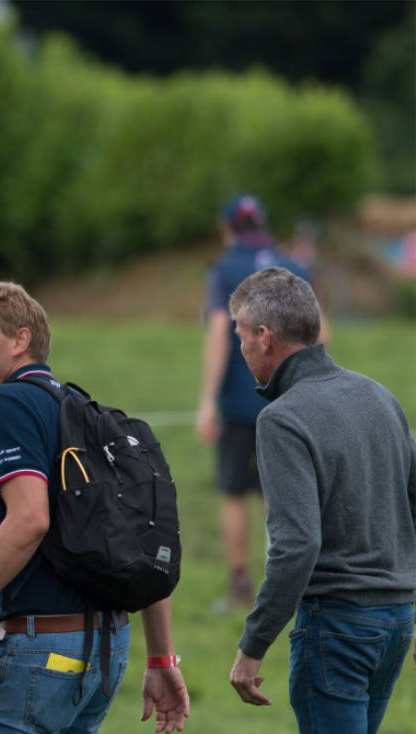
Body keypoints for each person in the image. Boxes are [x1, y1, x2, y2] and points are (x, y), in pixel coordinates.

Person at [0, 279, 189, 734]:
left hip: (39, 654)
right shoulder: (82, 408)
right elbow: (145, 535)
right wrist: (160, 657)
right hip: (106, 655)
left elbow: (29, 520)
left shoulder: (8, 402)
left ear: (19, 340)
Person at [226, 267, 415, 733]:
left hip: (338, 626)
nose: (241, 347)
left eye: (241, 335)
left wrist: (252, 646)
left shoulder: (282, 419)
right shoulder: (380, 397)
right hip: (396, 619)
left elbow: (297, 545)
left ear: (264, 337)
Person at [195, 193, 320, 612]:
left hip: (238, 399)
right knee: (280, 492)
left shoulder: (224, 269)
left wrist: (207, 400)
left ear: (227, 228)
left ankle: (239, 586)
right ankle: (284, 588)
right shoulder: (295, 266)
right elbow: (320, 335)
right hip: (291, 397)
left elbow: (219, 332)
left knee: (233, 493)